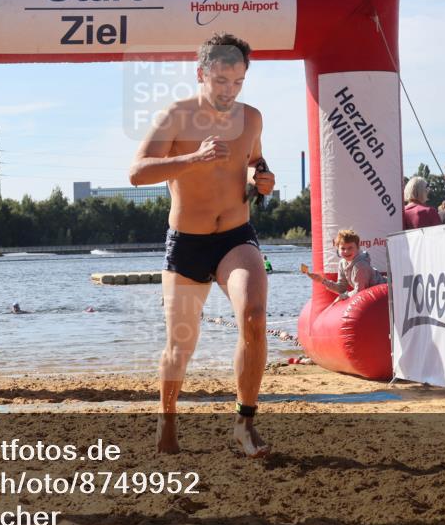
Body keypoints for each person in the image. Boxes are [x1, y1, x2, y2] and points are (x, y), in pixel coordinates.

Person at [129, 32, 274, 458]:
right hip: (187, 241)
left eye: (238, 82)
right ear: (202, 74)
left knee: (253, 317)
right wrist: (193, 159)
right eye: (221, 81)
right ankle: (167, 416)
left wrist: (261, 179)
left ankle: (244, 424)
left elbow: (254, 163)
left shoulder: (252, 118)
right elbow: (137, 172)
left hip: (235, 235)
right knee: (181, 344)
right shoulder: (176, 114)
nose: (229, 91)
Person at [301, 229, 385, 302]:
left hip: (384, 291)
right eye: (343, 248)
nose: (346, 251)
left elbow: (360, 291)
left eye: (350, 248)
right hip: (374, 294)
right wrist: (322, 281)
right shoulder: (342, 263)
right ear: (338, 249)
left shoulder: (360, 265)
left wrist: (344, 296)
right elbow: (342, 288)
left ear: (358, 247)